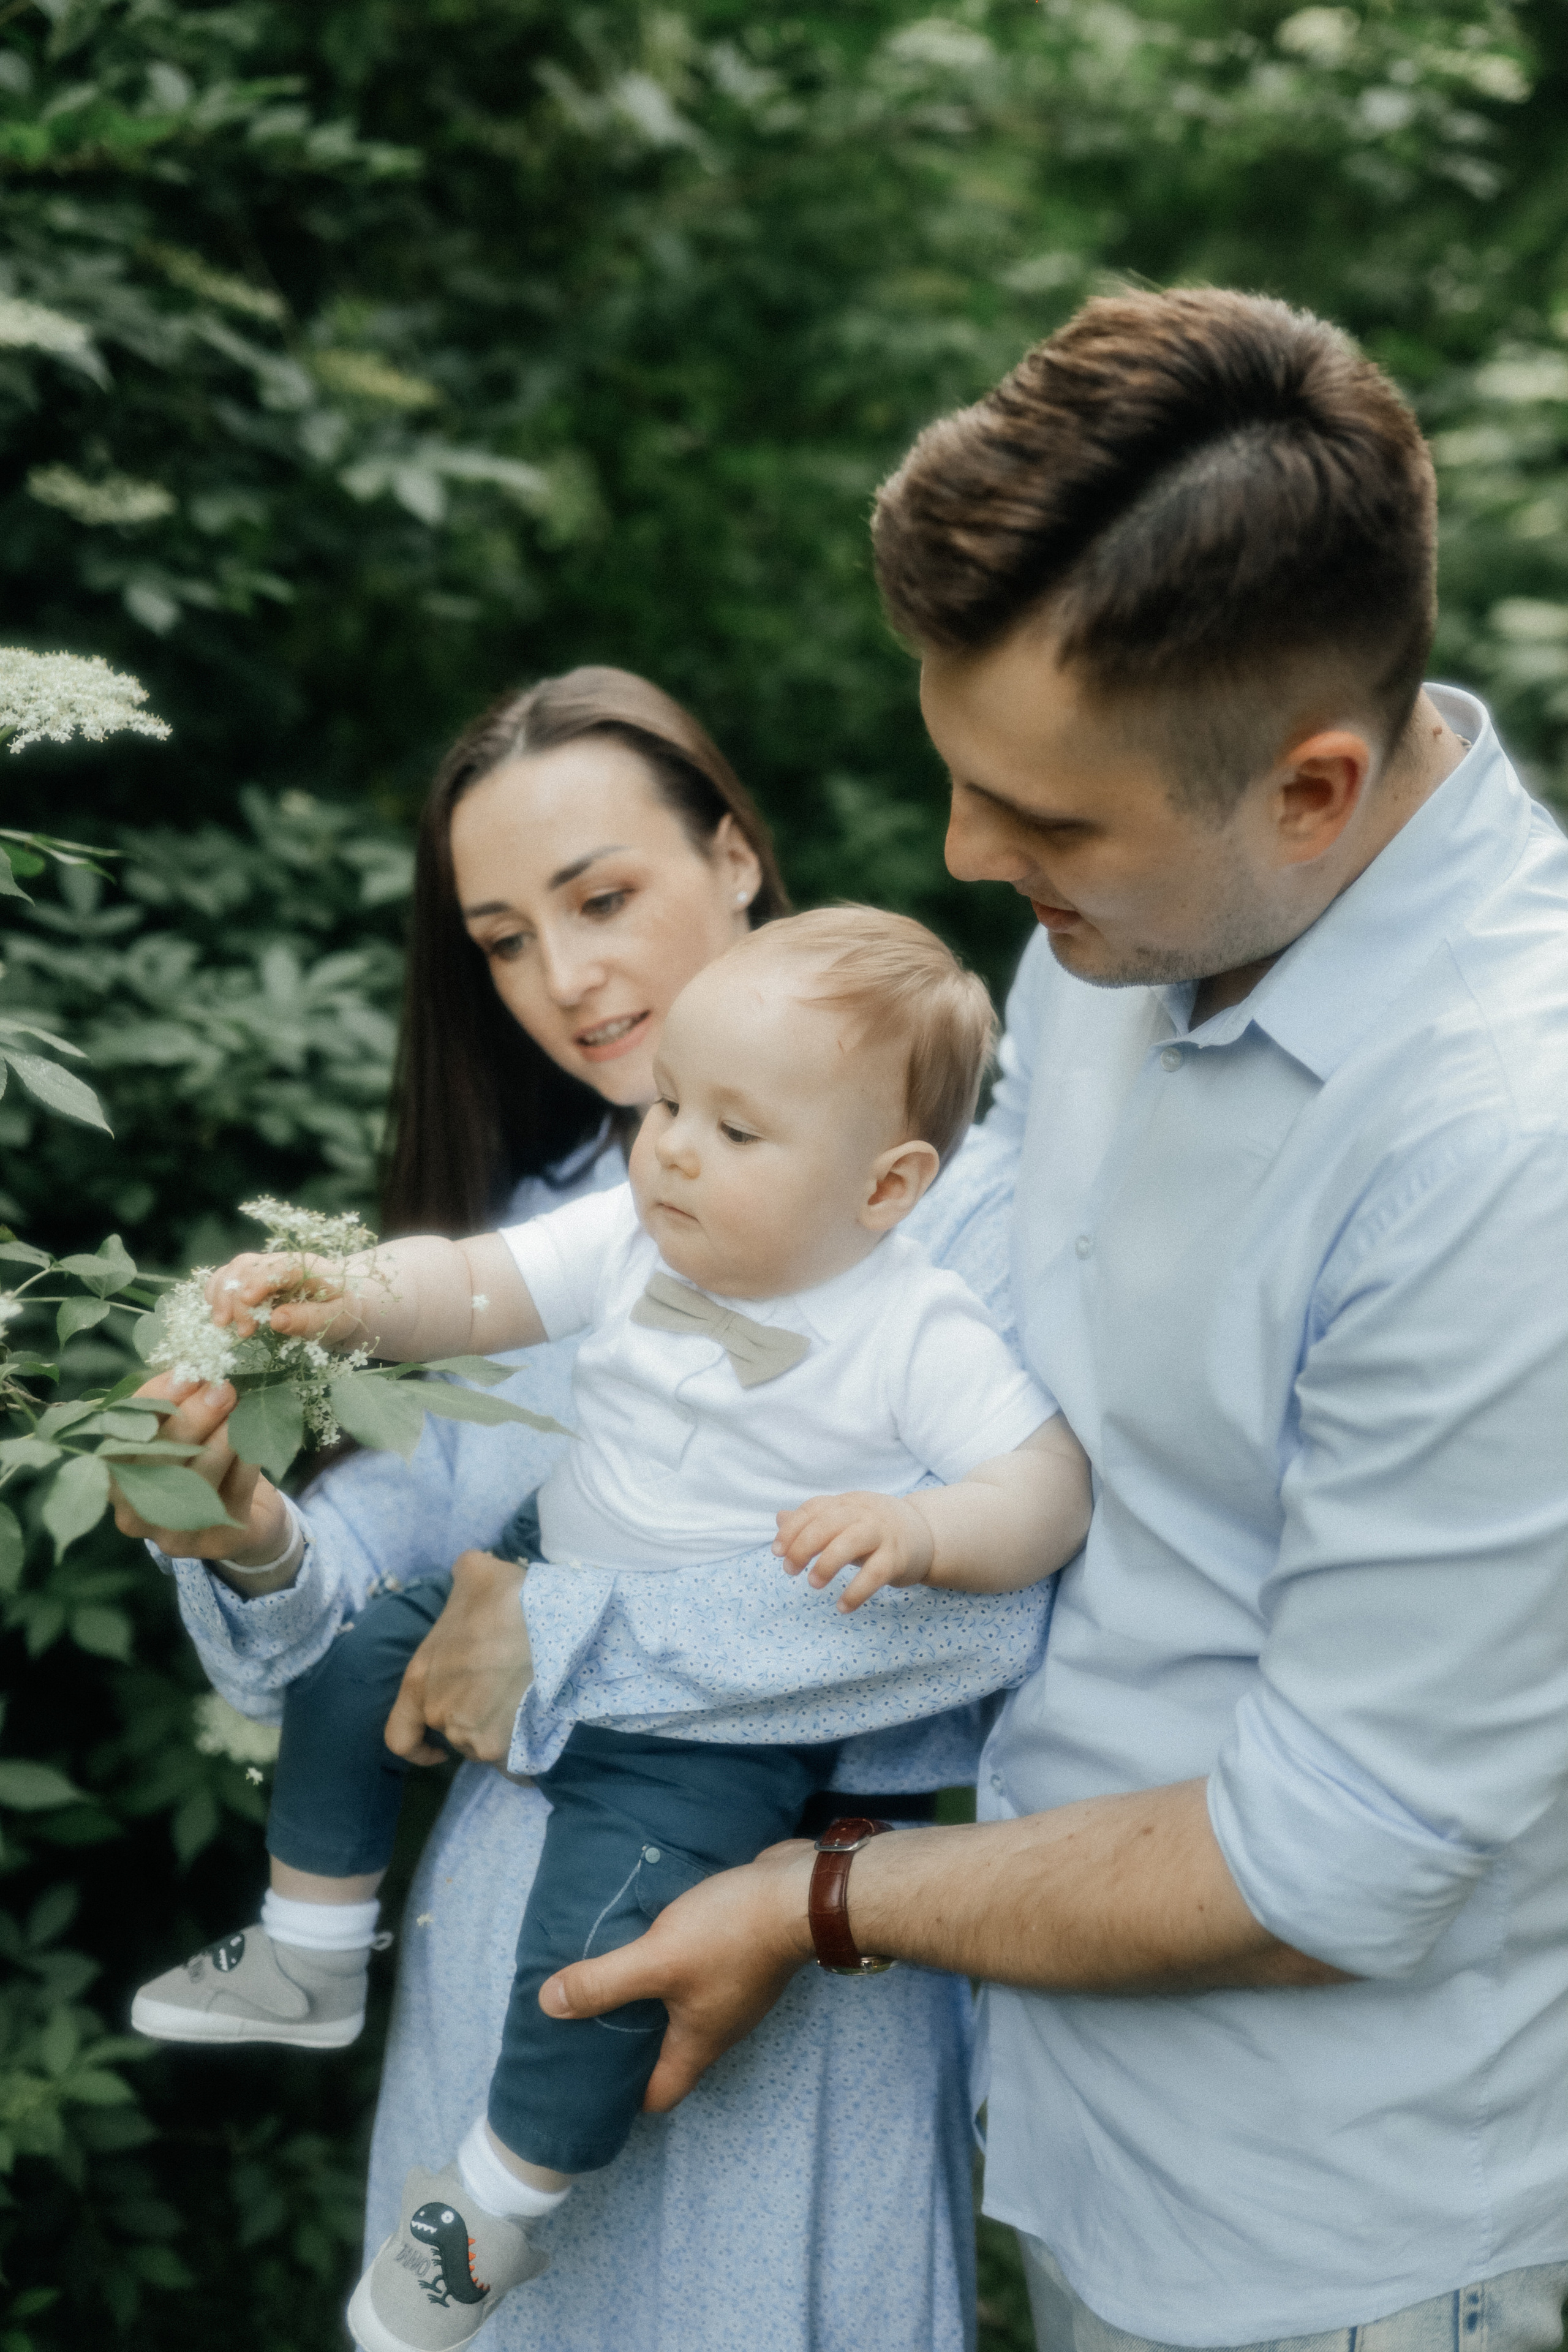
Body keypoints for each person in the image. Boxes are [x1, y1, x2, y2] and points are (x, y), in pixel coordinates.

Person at [535, 290, 1568, 2352]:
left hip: (1343, 2253)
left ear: (1315, 784)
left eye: (1049, 823)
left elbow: (1326, 1868)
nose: (965, 859)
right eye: (964, 780)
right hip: (1071, 2146)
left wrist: (821, 1901)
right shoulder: (1132, 925)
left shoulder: (1506, 1159)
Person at [115, 667, 1042, 2352]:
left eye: (601, 898)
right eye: (504, 940)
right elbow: (353, 1631)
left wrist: (541, 1638)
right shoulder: (553, 1235)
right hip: (490, 1946)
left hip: (790, 1964)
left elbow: (977, 1615)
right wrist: (241, 1524)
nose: (567, 979)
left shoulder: (960, 1218)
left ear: (740, 857)